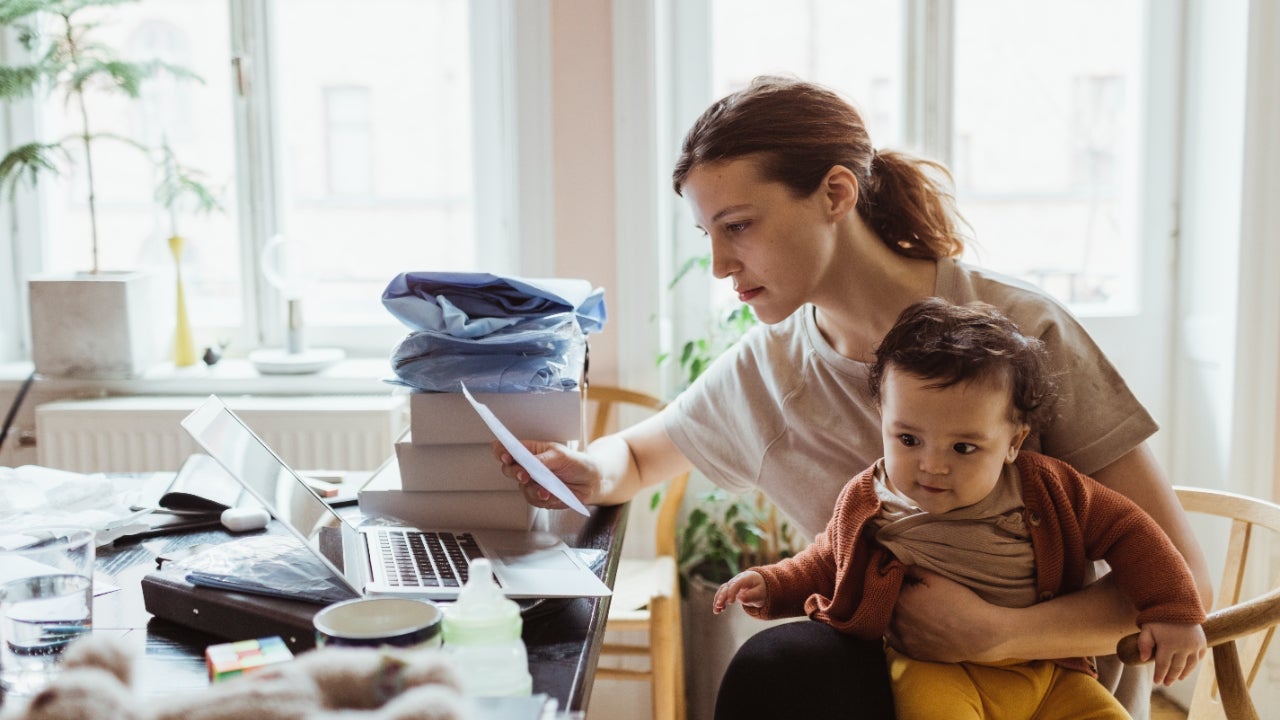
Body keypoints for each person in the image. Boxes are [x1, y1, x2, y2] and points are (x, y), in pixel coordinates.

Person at [494, 75, 1212, 719]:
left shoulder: (1018, 333)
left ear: (837, 193)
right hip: (900, 672)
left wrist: (999, 635)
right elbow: (639, 456)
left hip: (1051, 679)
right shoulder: (767, 369)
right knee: (779, 665)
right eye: (707, 234)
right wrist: (587, 471)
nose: (718, 264)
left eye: (739, 226)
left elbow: (1186, 578)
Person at [711, 298, 1207, 719]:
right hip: (936, 670)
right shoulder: (871, 499)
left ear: (1013, 443)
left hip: (1050, 670)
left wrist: (1173, 610)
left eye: (964, 448)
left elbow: (1132, 531)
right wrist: (774, 584)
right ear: (882, 418)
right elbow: (827, 559)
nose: (932, 467)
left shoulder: (1047, 489)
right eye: (908, 439)